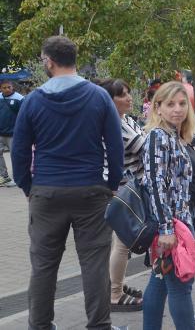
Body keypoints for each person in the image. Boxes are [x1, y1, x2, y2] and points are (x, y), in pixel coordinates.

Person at [13, 36, 124, 330]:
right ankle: (99, 325)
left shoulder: (33, 100)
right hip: (90, 191)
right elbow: (115, 147)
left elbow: (19, 151)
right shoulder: (99, 97)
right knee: (94, 263)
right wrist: (112, 184)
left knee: (44, 266)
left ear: (49, 61)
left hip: (47, 192)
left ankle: (40, 325)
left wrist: (29, 187)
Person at [140, 81, 195, 329]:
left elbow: (183, 187)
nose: (178, 109)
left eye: (182, 103)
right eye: (170, 104)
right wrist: (166, 228)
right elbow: (155, 183)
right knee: (180, 285)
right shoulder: (158, 136)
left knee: (160, 280)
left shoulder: (175, 136)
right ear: (158, 108)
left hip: (180, 222)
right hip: (170, 225)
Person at [97, 79, 145, 312]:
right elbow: (145, 148)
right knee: (124, 243)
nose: (129, 97)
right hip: (123, 190)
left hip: (127, 188)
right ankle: (114, 293)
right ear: (109, 100)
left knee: (122, 242)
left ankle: (116, 285)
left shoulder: (126, 120)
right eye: (122, 95)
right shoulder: (115, 124)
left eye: (128, 92)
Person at [0, 79, 23, 186]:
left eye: (9, 87)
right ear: (1, 89)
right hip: (0, 133)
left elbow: (24, 115)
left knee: (15, 156)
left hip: (14, 134)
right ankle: (4, 177)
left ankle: (17, 178)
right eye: (4, 87)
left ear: (12, 87)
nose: (7, 89)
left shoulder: (19, 98)